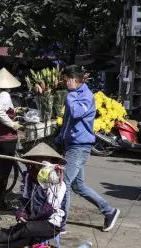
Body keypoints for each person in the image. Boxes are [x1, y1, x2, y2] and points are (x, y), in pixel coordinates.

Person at [0, 143, 67, 248]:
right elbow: (25, 200)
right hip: (35, 221)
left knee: (23, 229)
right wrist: (21, 213)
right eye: (37, 159)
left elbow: (50, 208)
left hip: (51, 223)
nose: (40, 162)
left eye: (44, 159)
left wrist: (30, 218)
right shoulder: (30, 178)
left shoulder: (55, 182)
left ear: (51, 161)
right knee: (24, 237)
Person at [56, 65, 120, 233]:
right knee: (79, 186)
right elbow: (68, 121)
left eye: (65, 79)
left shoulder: (85, 96)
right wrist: (59, 138)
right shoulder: (75, 94)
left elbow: (76, 113)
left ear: (73, 79)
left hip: (79, 147)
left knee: (64, 184)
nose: (64, 83)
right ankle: (109, 211)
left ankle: (60, 223)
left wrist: (70, 94)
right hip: (71, 144)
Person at [0, 68, 23, 210]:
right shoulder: (5, 95)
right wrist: (12, 124)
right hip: (7, 137)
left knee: (1, 169)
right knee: (4, 171)